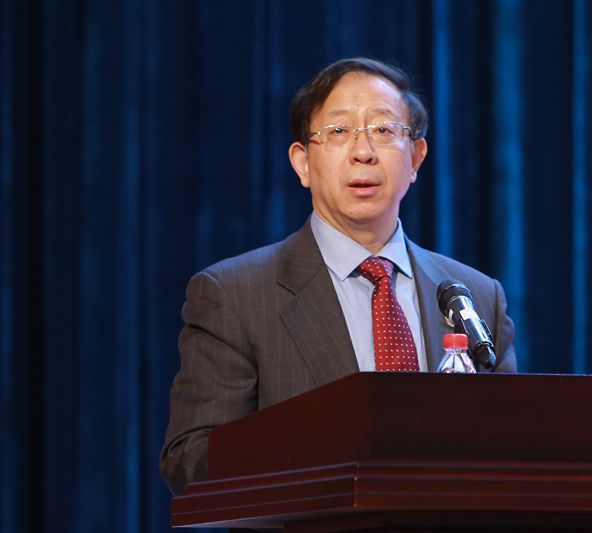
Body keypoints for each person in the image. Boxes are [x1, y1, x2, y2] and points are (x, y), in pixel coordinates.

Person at [160, 57, 517, 496]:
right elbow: (191, 460)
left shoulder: (477, 295)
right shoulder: (235, 296)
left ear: (416, 158)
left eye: (383, 130)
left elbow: (510, 449)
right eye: (339, 131)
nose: (363, 152)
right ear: (303, 163)